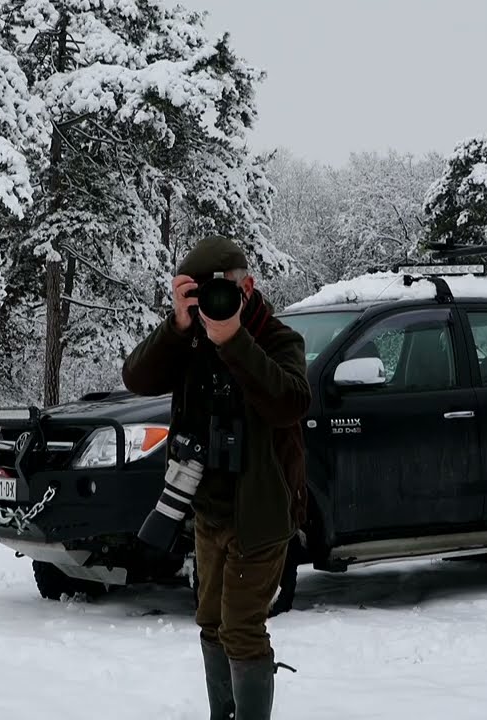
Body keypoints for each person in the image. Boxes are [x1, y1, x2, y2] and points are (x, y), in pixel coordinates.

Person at [122, 235, 310, 720]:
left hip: (261, 511)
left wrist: (234, 341)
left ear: (247, 286)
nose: (214, 305)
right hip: (208, 507)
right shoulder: (189, 341)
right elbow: (137, 379)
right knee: (210, 621)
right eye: (200, 296)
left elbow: (291, 403)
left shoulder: (278, 339)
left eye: (222, 292)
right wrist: (177, 325)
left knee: (242, 628)